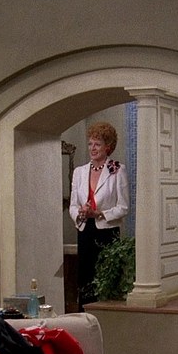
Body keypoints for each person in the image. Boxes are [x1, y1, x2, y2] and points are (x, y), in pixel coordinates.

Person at [69, 122, 130, 308]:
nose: (92, 148)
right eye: (90, 144)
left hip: (107, 233)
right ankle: (84, 315)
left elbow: (124, 207)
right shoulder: (79, 172)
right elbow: (72, 205)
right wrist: (80, 213)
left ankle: (106, 317)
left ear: (108, 146)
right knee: (85, 280)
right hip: (85, 230)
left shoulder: (117, 169)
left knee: (105, 279)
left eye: (97, 144)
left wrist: (100, 214)